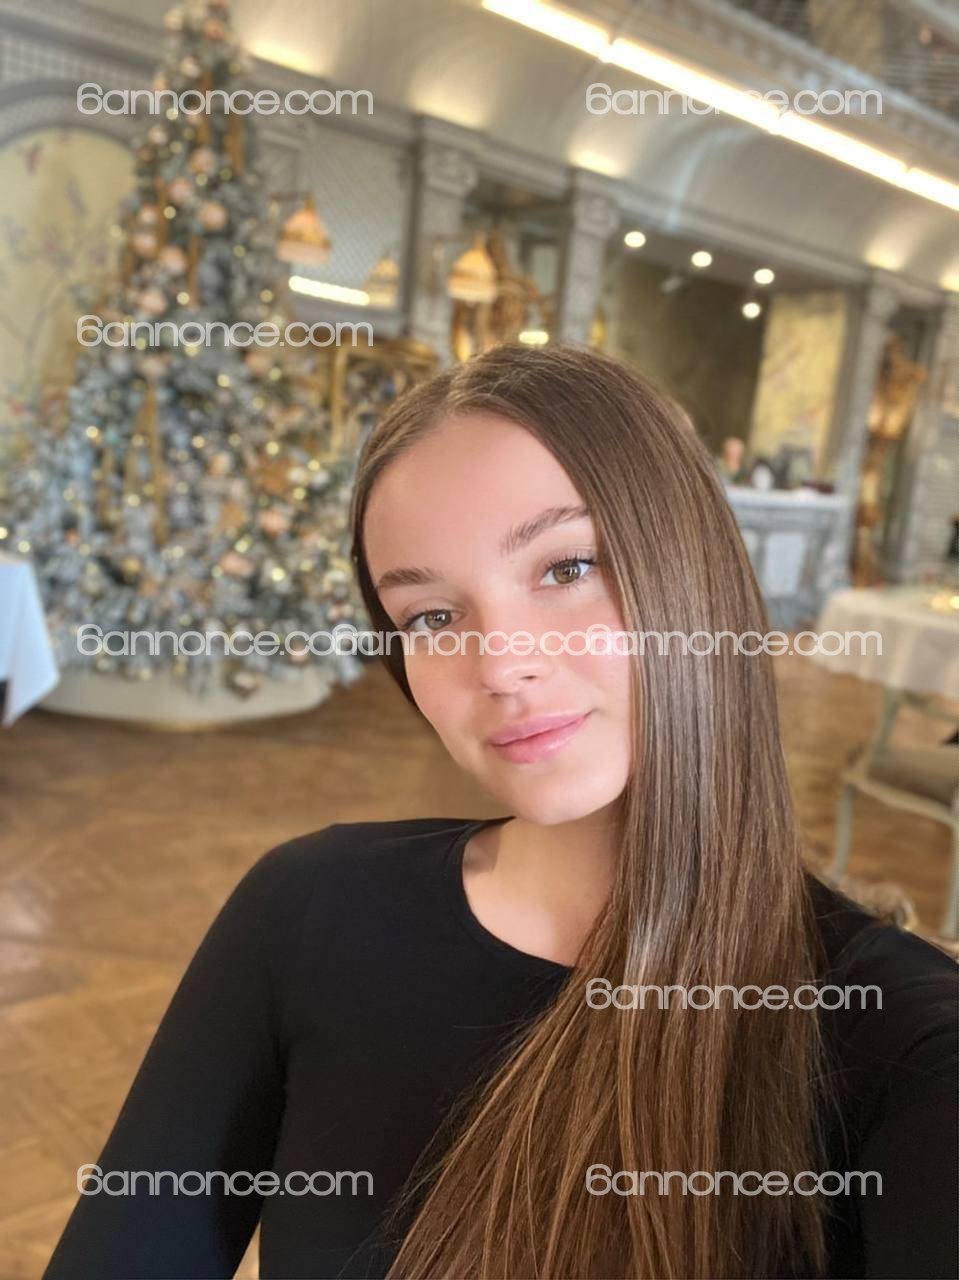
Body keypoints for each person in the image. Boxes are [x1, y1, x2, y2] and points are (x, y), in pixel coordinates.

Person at [44, 344, 957, 1280]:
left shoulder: (902, 1041)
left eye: (567, 567)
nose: (498, 664)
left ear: (694, 571)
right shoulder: (308, 911)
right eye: (431, 617)